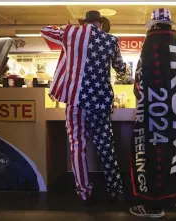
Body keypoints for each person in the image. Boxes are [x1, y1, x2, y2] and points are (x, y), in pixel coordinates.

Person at [41, 10, 126, 202]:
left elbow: (44, 30)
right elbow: (121, 68)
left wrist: (67, 29)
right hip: (99, 101)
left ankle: (84, 192)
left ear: (85, 22)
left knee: (77, 145)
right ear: (100, 23)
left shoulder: (71, 33)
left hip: (75, 101)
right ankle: (115, 189)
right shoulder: (111, 40)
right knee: (105, 145)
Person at [129, 9, 176, 218]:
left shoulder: (152, 44)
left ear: (153, 25)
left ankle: (153, 205)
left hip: (157, 114)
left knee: (154, 153)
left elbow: (140, 81)